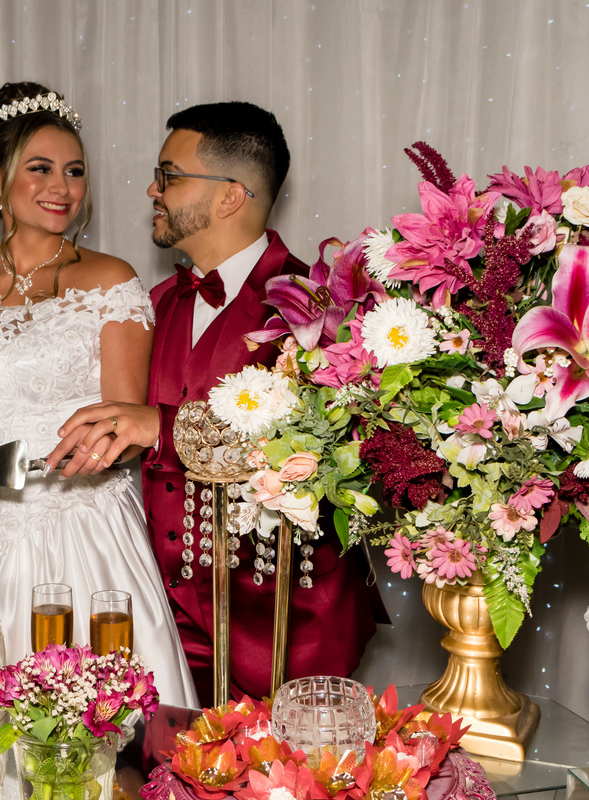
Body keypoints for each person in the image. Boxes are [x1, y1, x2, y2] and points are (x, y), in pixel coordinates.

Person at [48, 101, 379, 704]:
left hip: (289, 625)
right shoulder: (153, 304)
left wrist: (161, 427)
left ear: (230, 196)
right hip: (164, 622)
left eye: (169, 176)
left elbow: (326, 449)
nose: (152, 189)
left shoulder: (318, 308)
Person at [0, 82, 198, 708]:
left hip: (84, 533)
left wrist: (72, 456)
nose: (62, 187)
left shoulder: (110, 281)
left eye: (74, 171)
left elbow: (126, 429)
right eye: (39, 168)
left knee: (97, 720)